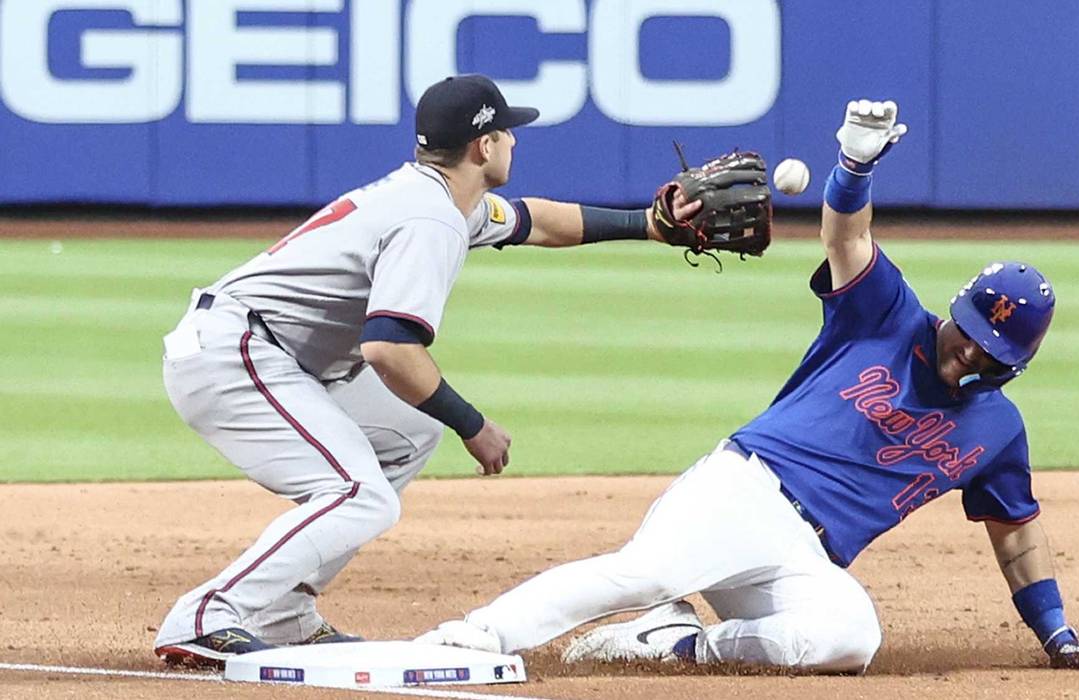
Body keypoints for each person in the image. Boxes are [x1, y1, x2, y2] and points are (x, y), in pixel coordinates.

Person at [415, 99, 1079, 673]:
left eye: (988, 352)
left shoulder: (997, 431)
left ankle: (675, 643)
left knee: (848, 639)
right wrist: (852, 167)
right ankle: (474, 636)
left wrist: (1056, 635)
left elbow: (1016, 535)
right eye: (966, 330)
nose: (967, 352)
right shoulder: (886, 314)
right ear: (956, 308)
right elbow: (847, 237)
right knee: (643, 574)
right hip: (742, 492)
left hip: (802, 557)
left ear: (1015, 363)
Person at [153, 73, 699, 667]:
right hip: (237, 353)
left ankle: (285, 610)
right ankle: (205, 616)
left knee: (410, 433)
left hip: (268, 350)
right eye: (507, 132)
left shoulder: (441, 197)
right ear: (482, 146)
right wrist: (473, 424)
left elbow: (535, 221)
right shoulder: (430, 220)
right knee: (359, 493)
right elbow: (389, 349)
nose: (515, 141)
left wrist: (647, 224)